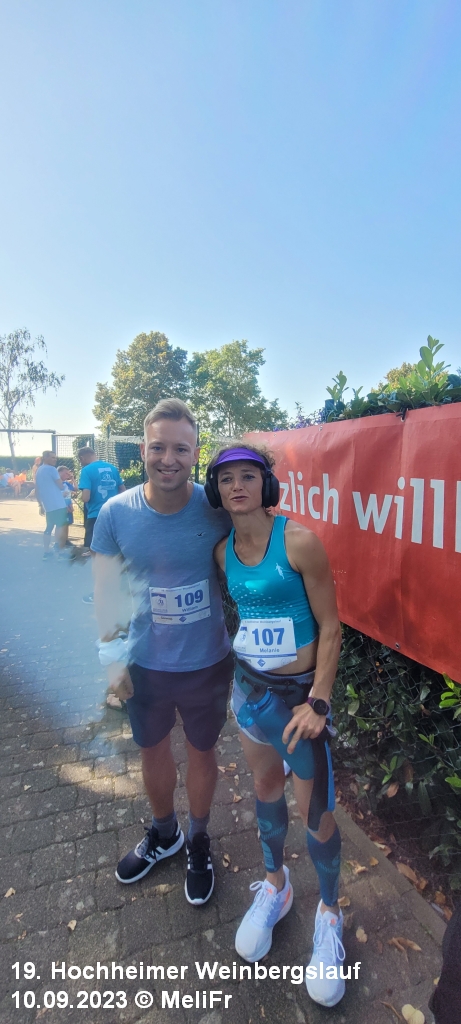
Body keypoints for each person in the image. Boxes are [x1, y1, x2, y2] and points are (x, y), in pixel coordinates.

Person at [208, 444, 344, 1008]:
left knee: (316, 811)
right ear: (216, 490)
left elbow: (332, 626)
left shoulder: (299, 542)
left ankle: (330, 914)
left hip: (299, 703)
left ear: (266, 485)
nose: (237, 486)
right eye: (226, 479)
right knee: (265, 788)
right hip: (250, 695)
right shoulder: (223, 553)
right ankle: (275, 887)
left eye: (248, 476)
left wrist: (319, 702)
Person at [91, 398, 234, 906]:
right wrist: (111, 658)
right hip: (145, 664)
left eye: (180, 449)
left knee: (201, 751)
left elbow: (258, 553)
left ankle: (198, 838)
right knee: (151, 750)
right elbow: (104, 591)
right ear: (142, 450)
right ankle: (165, 831)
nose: (168, 459)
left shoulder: (218, 510)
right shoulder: (115, 513)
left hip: (207, 663)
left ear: (195, 453)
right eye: (158, 447)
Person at [78, 447, 125, 603]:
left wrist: (79, 495)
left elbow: (86, 497)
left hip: (96, 515)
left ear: (83, 458)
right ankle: (119, 587)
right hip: (115, 514)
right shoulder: (112, 468)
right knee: (115, 552)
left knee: (98, 556)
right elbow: (123, 491)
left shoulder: (86, 470)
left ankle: (100, 592)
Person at [35, 451, 70, 559]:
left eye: (55, 457)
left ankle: (46, 552)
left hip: (48, 504)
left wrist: (40, 504)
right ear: (45, 458)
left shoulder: (39, 470)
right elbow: (60, 486)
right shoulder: (52, 469)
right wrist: (64, 487)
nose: (55, 459)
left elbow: (37, 489)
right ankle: (60, 552)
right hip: (58, 503)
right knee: (61, 527)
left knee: (49, 528)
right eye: (52, 457)